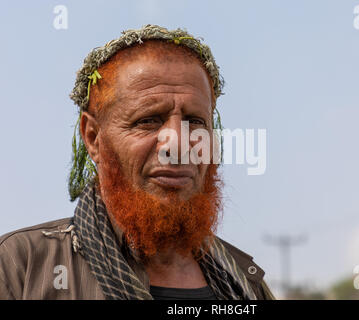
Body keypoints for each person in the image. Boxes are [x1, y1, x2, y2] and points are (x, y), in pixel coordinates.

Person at [0, 25, 275, 300]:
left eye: (195, 121)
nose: (178, 144)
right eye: (149, 120)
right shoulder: (21, 267)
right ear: (93, 138)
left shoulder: (244, 281)